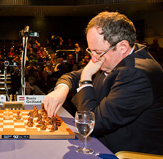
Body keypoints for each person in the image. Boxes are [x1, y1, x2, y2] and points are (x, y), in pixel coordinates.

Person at [43, 11, 163, 155]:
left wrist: (86, 77)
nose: (93, 59)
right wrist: (61, 90)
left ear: (123, 47)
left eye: (97, 52)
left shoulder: (137, 74)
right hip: (103, 144)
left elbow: (93, 124)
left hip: (125, 154)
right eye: (90, 51)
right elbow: (72, 76)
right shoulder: (113, 57)